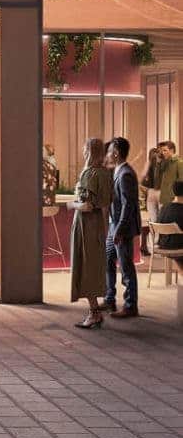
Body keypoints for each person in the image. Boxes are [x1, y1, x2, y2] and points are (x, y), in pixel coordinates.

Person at [70, 136, 112, 329]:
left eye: (85, 148)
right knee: (93, 267)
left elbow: (86, 205)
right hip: (98, 226)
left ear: (89, 151)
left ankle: (94, 312)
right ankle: (94, 311)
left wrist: (71, 204)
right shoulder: (105, 173)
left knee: (86, 267)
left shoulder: (91, 174)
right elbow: (104, 205)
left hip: (86, 225)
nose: (82, 151)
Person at [103, 135, 141, 320]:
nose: (107, 154)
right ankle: (110, 298)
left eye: (109, 151)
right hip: (113, 226)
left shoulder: (125, 174)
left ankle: (130, 304)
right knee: (108, 260)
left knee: (126, 266)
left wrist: (119, 229)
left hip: (121, 228)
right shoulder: (118, 170)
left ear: (116, 153)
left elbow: (129, 205)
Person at [155, 180, 183, 253]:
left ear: (173, 192)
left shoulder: (164, 208)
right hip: (179, 246)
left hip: (163, 244)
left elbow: (157, 222)